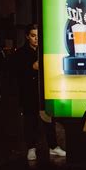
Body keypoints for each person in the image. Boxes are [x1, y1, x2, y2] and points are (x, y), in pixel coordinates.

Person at [14, 24, 66, 160]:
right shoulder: (20, 53)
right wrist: (32, 67)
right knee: (30, 121)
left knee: (48, 120)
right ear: (27, 37)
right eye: (33, 36)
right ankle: (31, 149)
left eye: (38, 36)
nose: (36, 39)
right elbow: (16, 74)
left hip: (44, 92)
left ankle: (53, 147)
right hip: (28, 93)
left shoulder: (46, 51)